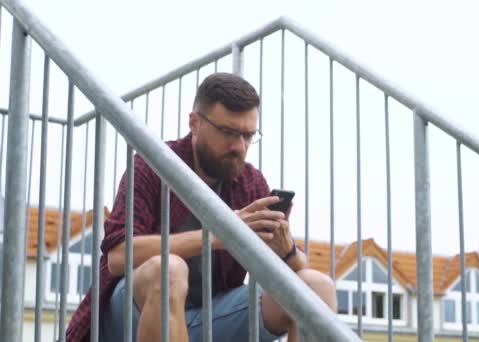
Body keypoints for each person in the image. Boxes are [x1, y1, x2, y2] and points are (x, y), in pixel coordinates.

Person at [66, 73, 337, 342]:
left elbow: (297, 266)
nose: (239, 146)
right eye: (228, 133)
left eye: (248, 135)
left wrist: (285, 250)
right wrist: (221, 233)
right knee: (169, 269)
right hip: (127, 319)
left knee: (316, 287)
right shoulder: (153, 166)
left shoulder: (250, 182)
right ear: (194, 123)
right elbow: (117, 257)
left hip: (210, 318)